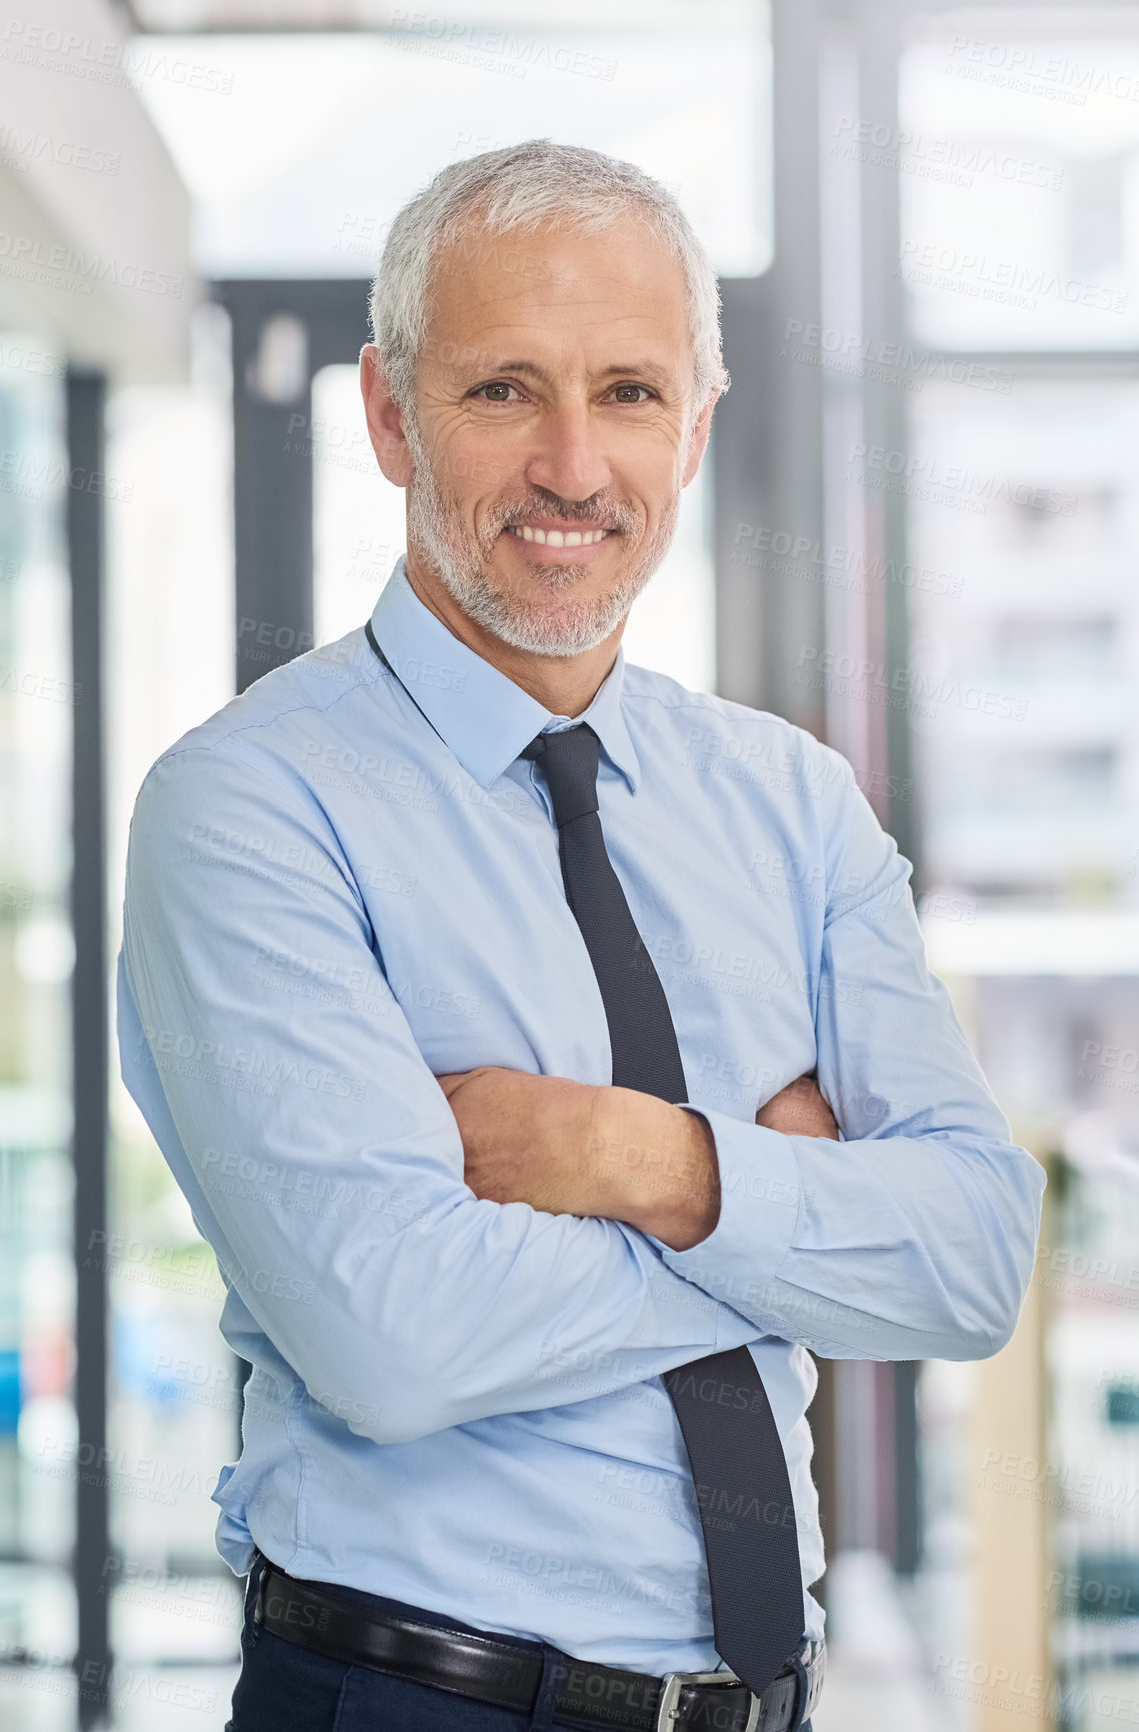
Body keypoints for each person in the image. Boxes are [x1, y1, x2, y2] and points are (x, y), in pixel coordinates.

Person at [118, 139, 1046, 1732]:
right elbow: (391, 1336)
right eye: (501, 392)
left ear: (694, 426)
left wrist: (645, 1163)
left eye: (626, 391)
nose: (570, 464)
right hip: (415, 1699)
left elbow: (970, 1260)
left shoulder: (787, 797)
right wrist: (799, 1228)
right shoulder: (252, 806)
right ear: (389, 416)